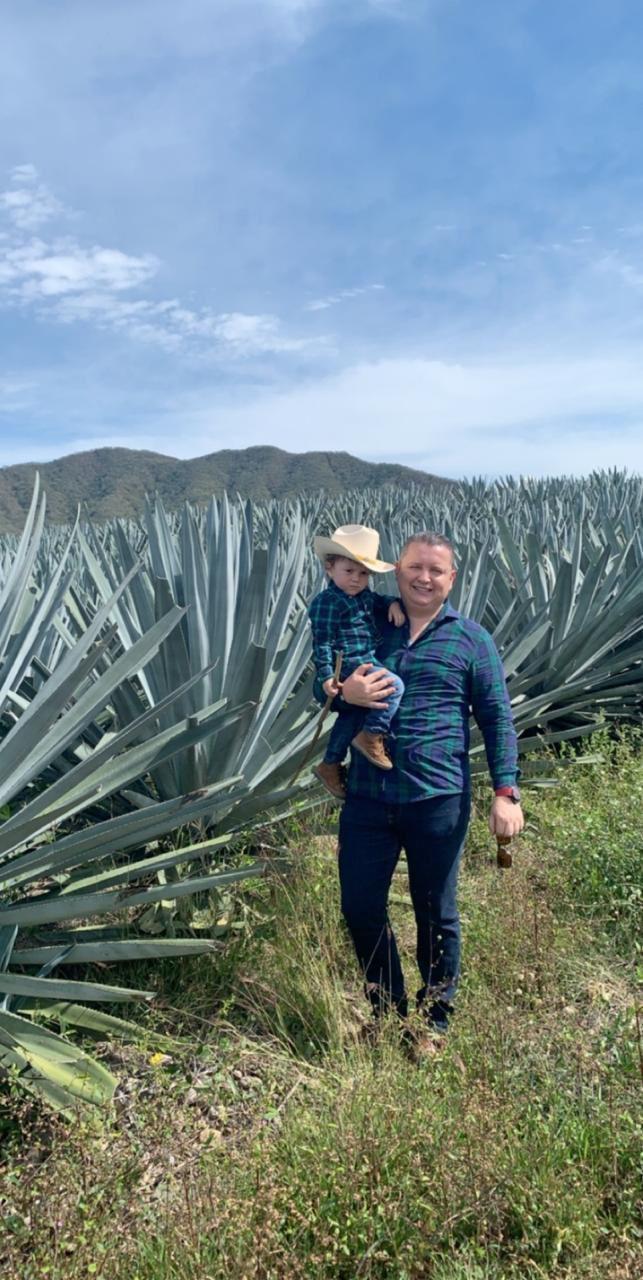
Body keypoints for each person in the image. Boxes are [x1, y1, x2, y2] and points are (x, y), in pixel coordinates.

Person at [334, 532, 524, 1042]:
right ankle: (388, 1010)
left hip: (438, 799)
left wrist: (505, 792)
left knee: (436, 913)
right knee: (359, 906)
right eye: (415, 567)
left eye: (436, 570)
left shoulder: (472, 640)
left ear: (451, 579)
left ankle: (434, 1021)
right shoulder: (369, 625)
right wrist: (344, 690)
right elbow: (321, 681)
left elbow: (497, 719)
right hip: (368, 797)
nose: (424, 578)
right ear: (397, 570)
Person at [308, 524, 406, 799]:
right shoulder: (327, 602)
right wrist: (327, 677)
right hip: (348, 664)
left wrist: (392, 604)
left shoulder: (363, 596)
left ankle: (330, 764)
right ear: (330, 568)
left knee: (352, 715)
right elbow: (322, 642)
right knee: (394, 687)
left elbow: (378, 599)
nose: (356, 579)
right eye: (349, 571)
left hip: (364, 659)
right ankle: (372, 735)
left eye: (363, 573)